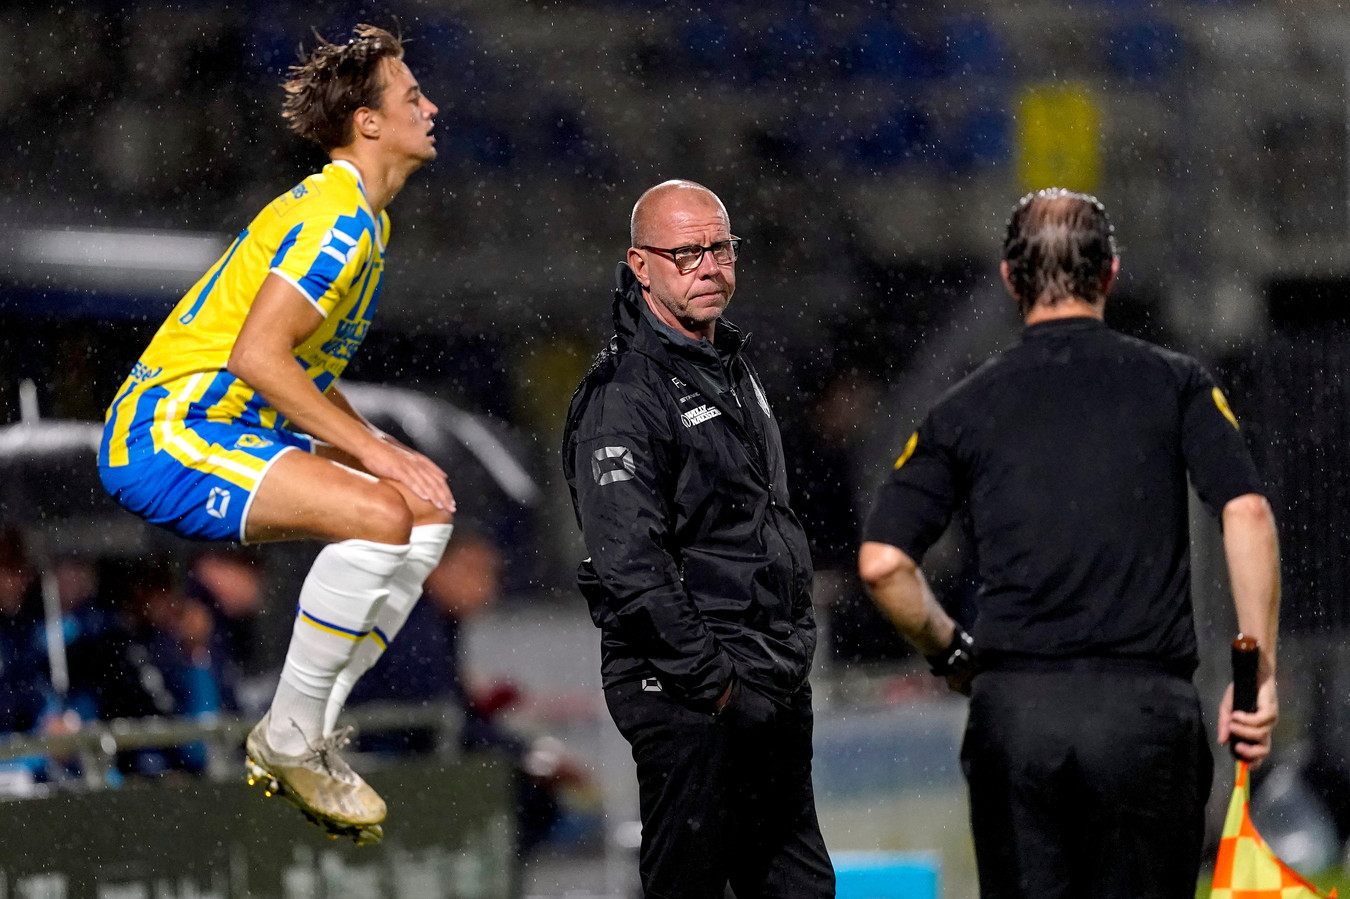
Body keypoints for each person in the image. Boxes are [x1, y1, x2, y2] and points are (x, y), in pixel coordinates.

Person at [858, 188, 1281, 899]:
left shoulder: (964, 407)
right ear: (1110, 272)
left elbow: (883, 564)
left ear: (1009, 279)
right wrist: (1257, 673)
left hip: (1018, 714)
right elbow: (1247, 513)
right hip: (1144, 713)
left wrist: (952, 652)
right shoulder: (1176, 383)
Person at [97, 24, 453, 843]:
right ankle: (290, 736)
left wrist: (376, 443)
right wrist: (374, 451)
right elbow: (258, 357)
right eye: (412, 97)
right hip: (168, 430)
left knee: (425, 509)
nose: (430, 107)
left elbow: (303, 369)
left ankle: (306, 725)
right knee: (383, 511)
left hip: (223, 423)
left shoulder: (365, 221)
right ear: (368, 122)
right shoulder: (339, 221)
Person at [562, 180, 834, 899]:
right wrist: (716, 685)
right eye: (686, 252)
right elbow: (630, 565)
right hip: (691, 690)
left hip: (766, 675)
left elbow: (758, 522)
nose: (710, 266)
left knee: (800, 887)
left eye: (721, 247)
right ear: (640, 265)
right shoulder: (623, 394)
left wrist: (782, 654)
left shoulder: (731, 365)